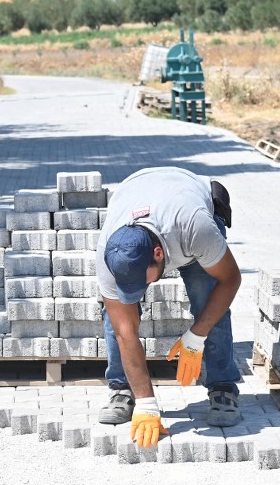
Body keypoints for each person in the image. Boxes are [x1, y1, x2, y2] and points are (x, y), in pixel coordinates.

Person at [95, 167, 242, 447]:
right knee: (115, 317)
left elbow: (230, 279)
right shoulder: (109, 256)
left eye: (142, 282)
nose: (138, 292)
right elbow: (126, 332)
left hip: (184, 201)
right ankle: (123, 389)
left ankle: (223, 387)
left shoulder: (195, 228)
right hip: (135, 187)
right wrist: (147, 404)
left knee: (207, 296)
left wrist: (197, 335)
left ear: (159, 255)